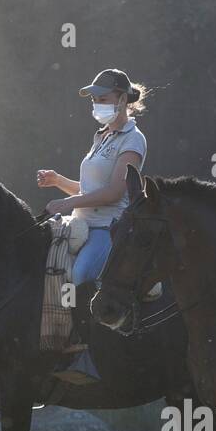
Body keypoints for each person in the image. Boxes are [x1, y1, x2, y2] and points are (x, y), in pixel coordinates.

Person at [37, 68, 147, 384]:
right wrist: (60, 183)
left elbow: (114, 192)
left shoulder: (133, 140)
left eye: (103, 98)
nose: (96, 104)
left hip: (109, 228)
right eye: (95, 100)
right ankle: (53, 340)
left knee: (82, 274)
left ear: (123, 99)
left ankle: (87, 354)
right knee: (50, 267)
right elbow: (89, 191)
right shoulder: (101, 137)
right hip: (83, 224)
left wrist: (67, 205)